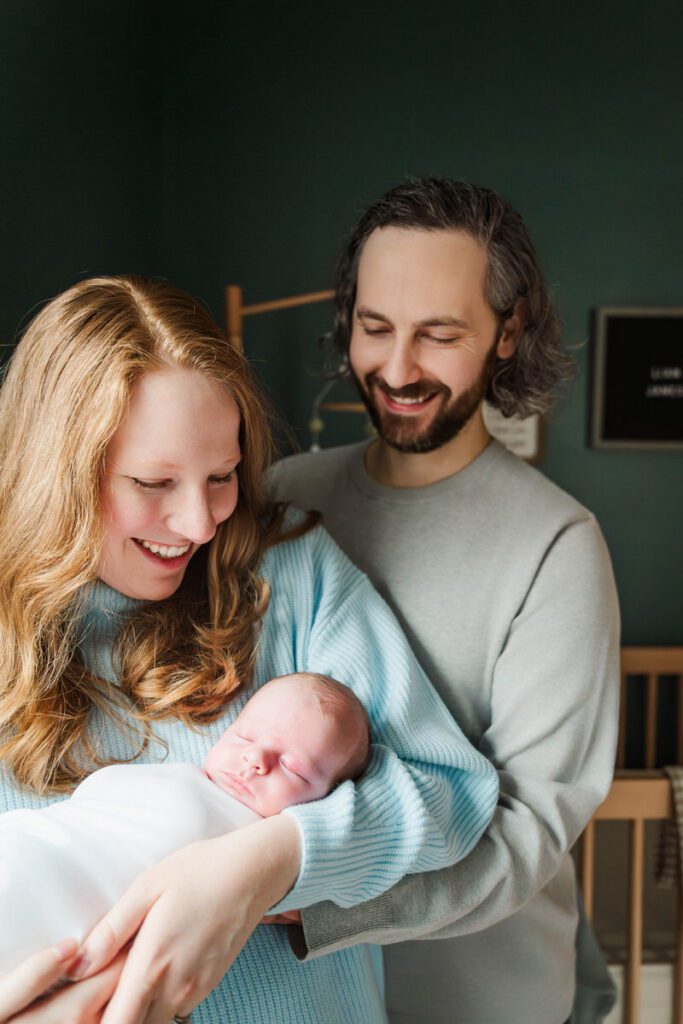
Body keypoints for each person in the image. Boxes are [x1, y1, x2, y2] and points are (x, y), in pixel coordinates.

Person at [0, 275, 499, 1024]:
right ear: (55, 473)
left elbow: (447, 791)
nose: (199, 524)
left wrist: (264, 865)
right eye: (153, 481)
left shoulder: (290, 572)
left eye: (222, 476)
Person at [268, 177, 621, 1024]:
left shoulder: (557, 548)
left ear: (508, 333)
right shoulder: (281, 495)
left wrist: (307, 907)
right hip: (298, 996)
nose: (396, 368)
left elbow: (526, 832)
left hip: (473, 1002)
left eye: (439, 335)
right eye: (374, 327)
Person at [0, 671, 370, 974]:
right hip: (28, 849)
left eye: (294, 768)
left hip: (61, 922)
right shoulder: (180, 776)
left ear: (327, 803)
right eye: (245, 736)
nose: (255, 758)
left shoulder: (269, 848)